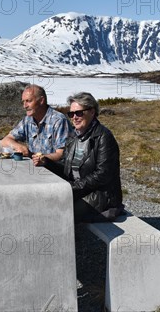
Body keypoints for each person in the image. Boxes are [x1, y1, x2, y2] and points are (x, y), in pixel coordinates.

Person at [35, 92, 124, 222]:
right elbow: (65, 166)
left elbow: (102, 175)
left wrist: (71, 188)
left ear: (92, 112)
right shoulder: (73, 136)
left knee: (58, 209)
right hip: (79, 191)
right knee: (42, 200)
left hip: (101, 197)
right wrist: (47, 162)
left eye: (79, 113)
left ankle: (66, 241)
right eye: (71, 114)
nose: (74, 117)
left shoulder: (103, 137)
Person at [1, 84, 72, 162]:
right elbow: (5, 140)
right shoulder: (28, 120)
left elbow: (62, 154)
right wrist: (18, 147)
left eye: (28, 101)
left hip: (54, 171)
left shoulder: (59, 121)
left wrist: (42, 158)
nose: (25, 106)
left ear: (41, 101)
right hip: (34, 169)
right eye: (23, 102)